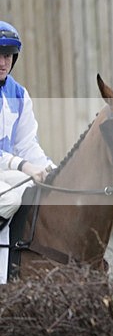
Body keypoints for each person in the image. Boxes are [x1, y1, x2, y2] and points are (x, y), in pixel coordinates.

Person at [0, 21, 54, 225]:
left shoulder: (19, 94)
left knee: (37, 193)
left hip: (5, 173)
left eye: (7, 56)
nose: (2, 63)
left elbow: (27, 144)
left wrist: (52, 169)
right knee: (9, 199)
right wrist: (23, 165)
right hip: (7, 173)